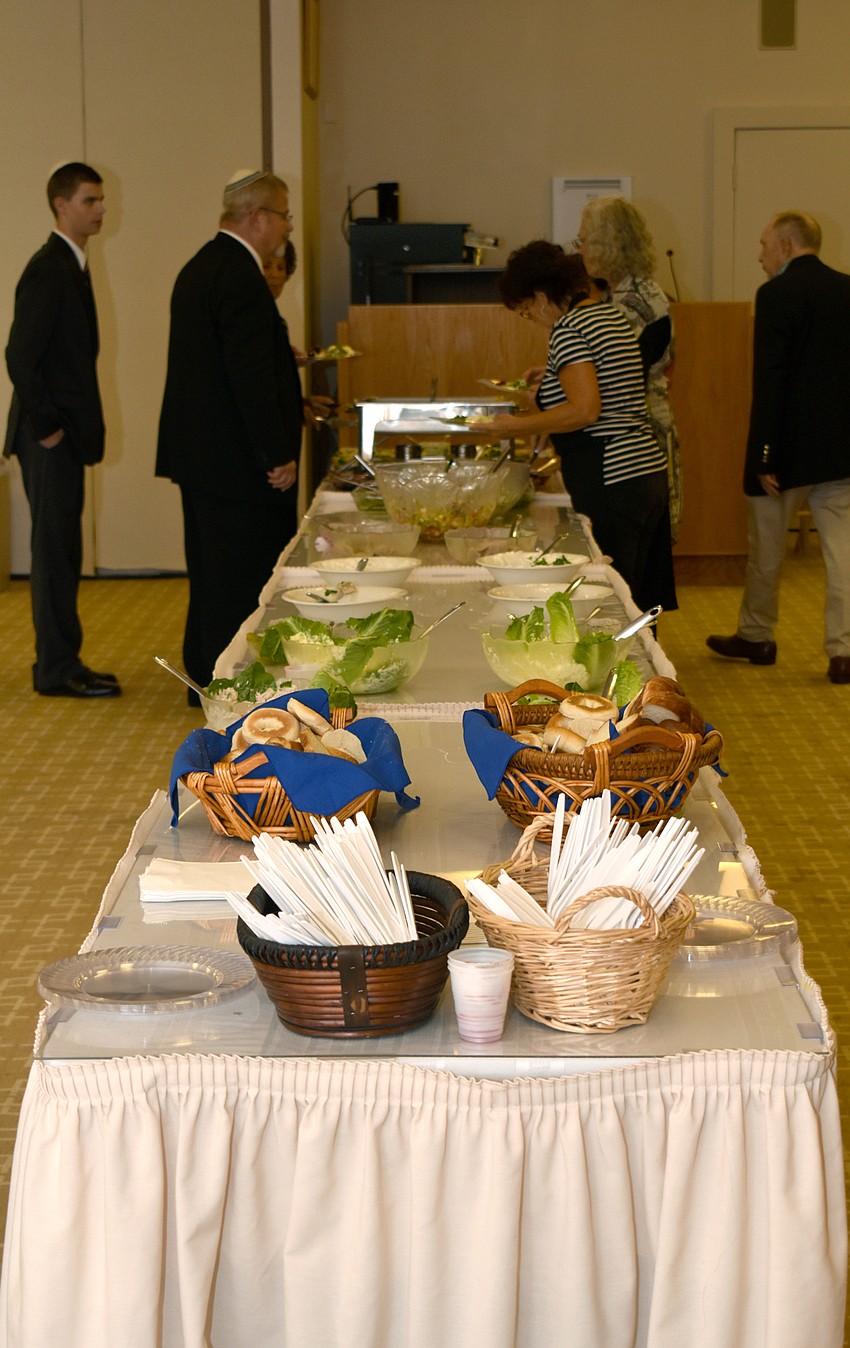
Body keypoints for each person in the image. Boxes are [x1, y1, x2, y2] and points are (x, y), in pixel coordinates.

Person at [156, 169, 303, 696]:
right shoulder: (240, 274)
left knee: (210, 569)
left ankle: (202, 669)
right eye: (284, 214)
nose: (288, 226)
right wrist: (277, 452)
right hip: (235, 459)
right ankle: (226, 683)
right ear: (259, 217)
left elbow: (221, 365)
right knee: (239, 577)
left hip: (203, 456)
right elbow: (248, 379)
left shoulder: (202, 266)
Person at [480, 241, 676, 614]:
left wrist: (513, 426)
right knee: (638, 599)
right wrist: (548, 384)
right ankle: (648, 672)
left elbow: (585, 410)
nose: (532, 319)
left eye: (525, 312)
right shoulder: (609, 315)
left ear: (540, 297)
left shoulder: (569, 328)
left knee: (613, 597)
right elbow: (605, 387)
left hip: (610, 473)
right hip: (645, 470)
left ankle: (622, 672)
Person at [706, 211, 850, 685]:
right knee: (843, 553)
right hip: (841, 447)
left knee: (767, 549)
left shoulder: (775, 294)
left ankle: (757, 635)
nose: (760, 254)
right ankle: (845, 651)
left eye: (765, 244)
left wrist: (764, 453)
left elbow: (770, 378)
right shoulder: (847, 289)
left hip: (784, 450)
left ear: (787, 245)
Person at [4, 162, 120, 699]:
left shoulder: (72, 264)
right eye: (90, 201)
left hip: (62, 435)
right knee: (53, 552)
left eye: (100, 201)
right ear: (61, 205)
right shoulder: (49, 267)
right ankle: (54, 670)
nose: (100, 209)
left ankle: (66, 659)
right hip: (47, 436)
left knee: (64, 550)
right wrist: (48, 428)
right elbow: (19, 356)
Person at [576, 196, 683, 540]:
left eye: (586, 241)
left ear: (610, 244)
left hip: (640, 447)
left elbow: (614, 377)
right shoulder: (615, 296)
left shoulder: (639, 302)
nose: (581, 250)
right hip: (626, 446)